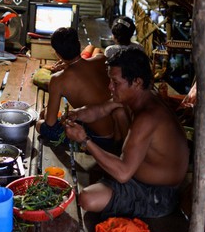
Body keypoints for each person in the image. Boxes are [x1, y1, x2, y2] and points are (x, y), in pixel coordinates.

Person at [63, 48, 189, 219]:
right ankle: (114, 165)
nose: (110, 87)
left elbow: (123, 175)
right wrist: (75, 114)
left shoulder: (148, 116)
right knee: (118, 112)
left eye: (115, 82)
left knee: (87, 199)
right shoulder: (139, 97)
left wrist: (84, 140)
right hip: (136, 173)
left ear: (136, 82)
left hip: (158, 195)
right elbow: (99, 110)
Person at [36, 27, 127, 153]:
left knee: (40, 125)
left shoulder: (57, 79)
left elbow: (50, 123)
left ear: (57, 53)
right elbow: (96, 52)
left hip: (99, 140)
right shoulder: (101, 60)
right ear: (79, 45)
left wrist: (46, 113)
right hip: (119, 131)